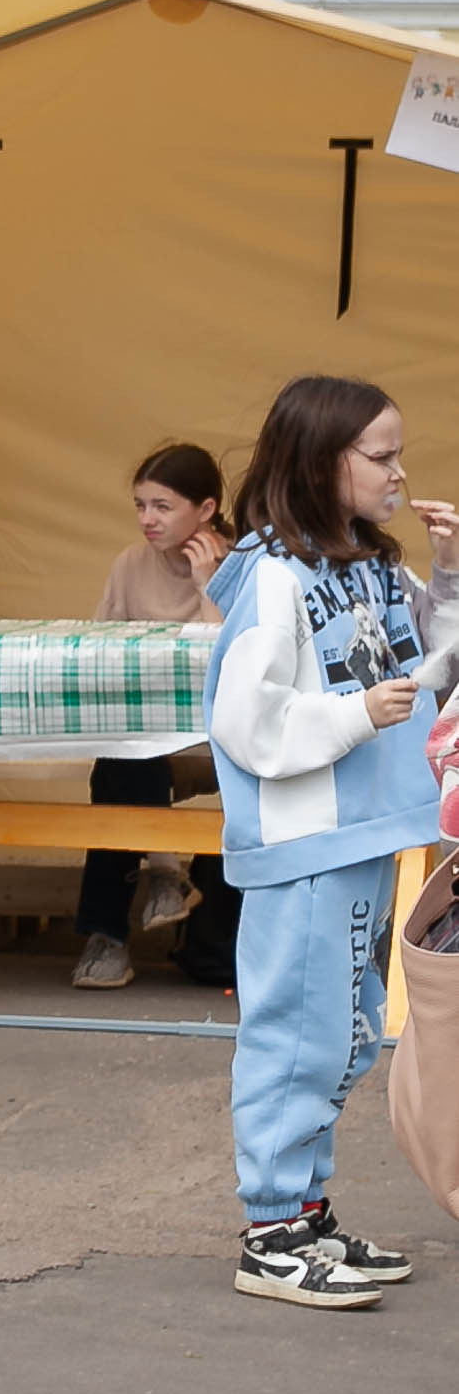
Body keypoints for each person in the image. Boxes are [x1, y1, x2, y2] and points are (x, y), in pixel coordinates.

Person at [205, 374, 437, 1312]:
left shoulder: (375, 565)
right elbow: (241, 718)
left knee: (342, 1032)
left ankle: (304, 1214)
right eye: (379, 455)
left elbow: (439, 669)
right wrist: (350, 715)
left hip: (367, 831)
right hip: (307, 843)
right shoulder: (270, 573)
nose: (398, 471)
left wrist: (450, 573)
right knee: (297, 1033)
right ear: (319, 461)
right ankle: (270, 1233)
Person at [72, 444, 237, 992]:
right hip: (151, 742)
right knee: (120, 762)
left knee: (125, 762)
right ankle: (118, 928)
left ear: (206, 509)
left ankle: (145, 896)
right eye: (141, 505)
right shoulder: (129, 564)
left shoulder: (241, 561)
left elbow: (230, 661)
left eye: (162, 507)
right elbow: (101, 648)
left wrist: (206, 584)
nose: (147, 520)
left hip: (226, 739)